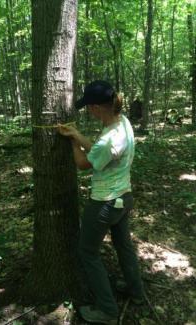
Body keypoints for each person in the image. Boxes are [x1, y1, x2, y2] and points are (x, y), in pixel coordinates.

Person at [58, 80, 144, 324]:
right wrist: (78, 134)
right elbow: (99, 152)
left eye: (88, 106)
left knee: (87, 252)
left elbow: (85, 163)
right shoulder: (122, 122)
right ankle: (135, 291)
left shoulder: (109, 138)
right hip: (123, 198)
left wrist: (74, 142)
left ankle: (107, 310)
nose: (87, 110)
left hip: (105, 202)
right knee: (123, 245)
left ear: (96, 107)